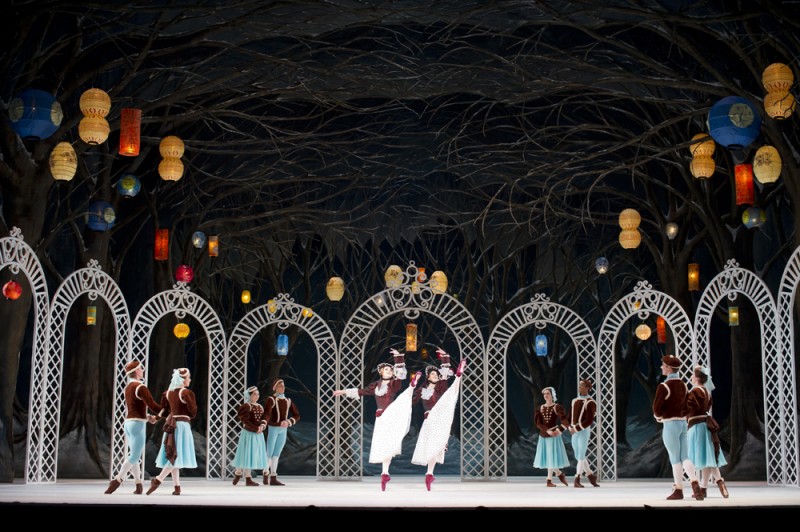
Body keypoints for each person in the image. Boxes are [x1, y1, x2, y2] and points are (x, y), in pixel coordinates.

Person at [333, 348, 420, 491]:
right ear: (381, 372)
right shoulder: (375, 386)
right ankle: (384, 473)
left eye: (390, 370)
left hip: (391, 415)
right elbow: (361, 392)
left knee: (390, 443)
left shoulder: (394, 384)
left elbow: (401, 375)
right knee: (382, 444)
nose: (389, 372)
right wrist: (343, 391)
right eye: (386, 370)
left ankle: (385, 472)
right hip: (380, 418)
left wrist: (398, 358)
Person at [410, 348, 467, 490]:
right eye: (433, 374)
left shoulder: (441, 387)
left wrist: (444, 357)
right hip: (429, 420)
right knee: (432, 447)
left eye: (437, 374)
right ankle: (429, 474)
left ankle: (430, 473)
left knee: (437, 446)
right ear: (428, 377)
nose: (435, 375)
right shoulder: (422, 390)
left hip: (440, 417)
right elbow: (411, 401)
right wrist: (413, 384)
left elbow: (446, 375)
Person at [104, 360, 161, 495]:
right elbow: (153, 405)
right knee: (135, 455)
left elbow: (136, 408)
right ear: (136, 371)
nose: (142, 370)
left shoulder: (128, 388)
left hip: (129, 423)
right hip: (137, 425)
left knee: (134, 454)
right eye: (141, 368)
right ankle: (117, 480)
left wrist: (147, 417)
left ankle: (138, 485)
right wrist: (166, 410)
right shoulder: (140, 387)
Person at [653, 354, 704, 501]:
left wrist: (659, 417)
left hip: (670, 424)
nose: (662, 367)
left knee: (675, 458)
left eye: (664, 365)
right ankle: (695, 484)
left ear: (669, 368)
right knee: (685, 456)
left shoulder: (664, 386)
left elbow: (657, 409)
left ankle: (679, 489)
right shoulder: (683, 384)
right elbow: (688, 404)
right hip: (683, 423)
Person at [147, 367, 198, 496]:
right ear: (182, 380)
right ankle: (158, 480)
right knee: (176, 455)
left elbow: (164, 410)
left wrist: (157, 418)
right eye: (188, 378)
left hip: (171, 424)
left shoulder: (169, 393)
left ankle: (177, 487)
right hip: (181, 426)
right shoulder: (186, 393)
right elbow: (193, 412)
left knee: (174, 454)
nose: (190, 380)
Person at [687, 366, 729, 499]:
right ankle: (706, 487)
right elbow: (707, 406)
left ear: (698, 378)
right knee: (707, 458)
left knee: (707, 457)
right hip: (704, 425)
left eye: (693, 375)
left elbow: (688, 407)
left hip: (697, 426)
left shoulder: (696, 391)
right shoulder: (706, 392)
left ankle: (719, 480)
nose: (691, 377)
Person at [263, 378, 300, 486]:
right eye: (280, 386)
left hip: (283, 430)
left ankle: (273, 477)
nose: (283, 388)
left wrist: (289, 421)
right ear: (275, 388)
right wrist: (265, 423)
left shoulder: (288, 400)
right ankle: (266, 473)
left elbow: (297, 415)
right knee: (269, 452)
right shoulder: (271, 399)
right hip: (274, 428)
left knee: (277, 453)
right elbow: (267, 414)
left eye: (283, 386)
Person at [230, 385, 268, 486]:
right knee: (247, 454)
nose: (257, 396)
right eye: (254, 394)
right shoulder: (246, 406)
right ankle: (247, 477)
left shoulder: (260, 406)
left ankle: (238, 473)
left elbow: (263, 418)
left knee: (251, 455)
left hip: (258, 434)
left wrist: (262, 426)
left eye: (258, 394)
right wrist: (256, 428)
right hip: (249, 433)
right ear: (249, 395)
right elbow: (245, 420)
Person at [533, 386, 570, 487]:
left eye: (547, 394)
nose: (545, 396)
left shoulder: (556, 407)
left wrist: (559, 430)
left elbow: (565, 421)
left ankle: (549, 479)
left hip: (553, 435)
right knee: (549, 457)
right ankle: (558, 474)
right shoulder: (540, 408)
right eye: (544, 394)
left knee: (551, 457)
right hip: (544, 435)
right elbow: (538, 423)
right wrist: (547, 430)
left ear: (552, 395)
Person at [568, 378, 599, 488]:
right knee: (578, 456)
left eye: (581, 385)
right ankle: (590, 475)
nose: (579, 387)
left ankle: (577, 478)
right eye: (579, 385)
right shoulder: (574, 401)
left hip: (583, 432)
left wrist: (576, 428)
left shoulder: (590, 402)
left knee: (581, 456)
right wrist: (569, 427)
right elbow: (570, 416)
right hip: (574, 432)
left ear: (587, 388)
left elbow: (589, 421)